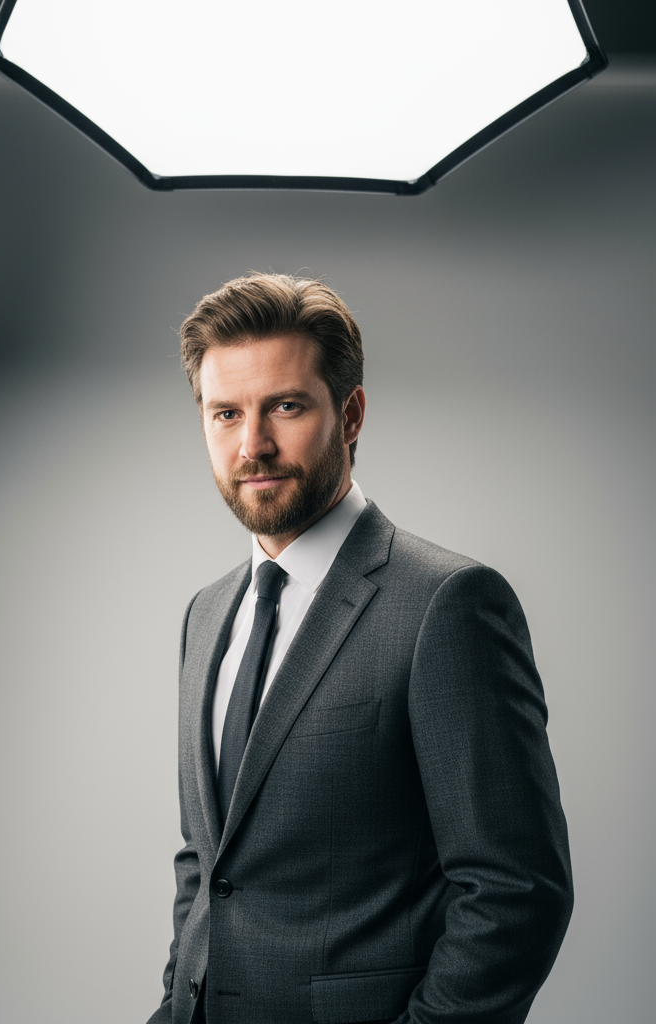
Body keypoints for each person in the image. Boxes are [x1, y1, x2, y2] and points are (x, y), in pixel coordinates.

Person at [147, 273, 572, 1024]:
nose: (254, 445)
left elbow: (517, 892)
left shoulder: (448, 604)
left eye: (285, 405)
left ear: (350, 414)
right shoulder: (206, 616)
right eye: (225, 413)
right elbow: (208, 868)